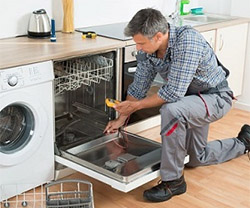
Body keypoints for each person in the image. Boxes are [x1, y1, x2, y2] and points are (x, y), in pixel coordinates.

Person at [104, 8, 250, 202]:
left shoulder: (187, 41)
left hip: (214, 98)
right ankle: (244, 142)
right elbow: (138, 86)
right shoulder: (149, 52)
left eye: (140, 43)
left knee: (171, 109)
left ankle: (173, 181)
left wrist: (136, 106)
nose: (138, 48)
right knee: (196, 158)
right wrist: (121, 118)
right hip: (189, 101)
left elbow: (173, 93)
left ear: (158, 36)